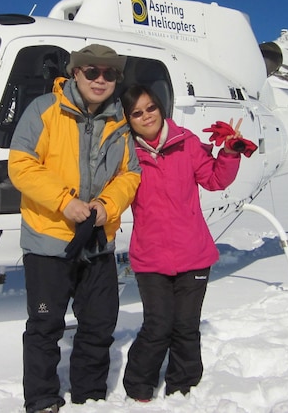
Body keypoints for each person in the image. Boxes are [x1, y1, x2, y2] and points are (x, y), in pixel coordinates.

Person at [8, 43, 141, 413]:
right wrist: (65, 202)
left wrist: (106, 205)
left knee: (99, 324)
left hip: (97, 241)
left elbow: (130, 173)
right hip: (49, 240)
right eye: (92, 72)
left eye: (109, 74)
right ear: (76, 72)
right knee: (45, 325)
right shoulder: (45, 110)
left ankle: (90, 395)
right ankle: (41, 399)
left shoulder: (119, 120)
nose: (100, 80)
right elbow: (21, 164)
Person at [120, 84, 248, 401]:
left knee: (186, 326)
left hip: (193, 253)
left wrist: (230, 153)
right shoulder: (125, 155)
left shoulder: (186, 143)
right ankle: (138, 384)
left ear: (161, 107)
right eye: (137, 113)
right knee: (158, 325)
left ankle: (183, 385)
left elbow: (215, 179)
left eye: (150, 108)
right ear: (128, 120)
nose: (146, 116)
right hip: (151, 257)